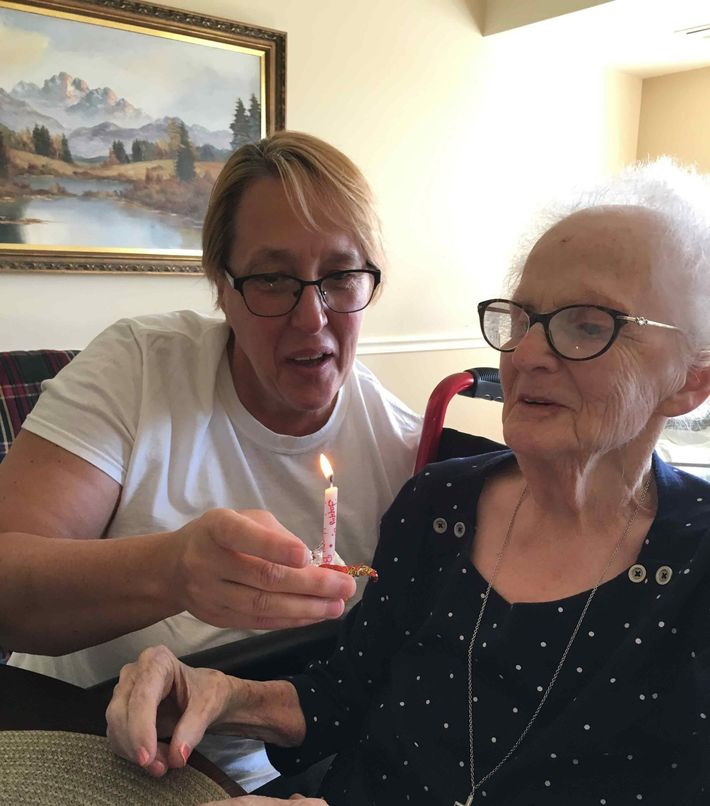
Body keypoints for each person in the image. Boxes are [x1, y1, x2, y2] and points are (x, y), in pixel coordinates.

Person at [106, 158, 710, 806]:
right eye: (524, 318)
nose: (527, 355)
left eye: (588, 324)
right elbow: (343, 695)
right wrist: (218, 692)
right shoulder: (440, 504)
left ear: (690, 380)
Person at [0, 131, 421, 789]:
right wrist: (173, 570)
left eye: (340, 276)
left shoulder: (405, 452)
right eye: (273, 279)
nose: (312, 318)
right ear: (222, 287)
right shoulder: (139, 367)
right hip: (69, 739)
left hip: (262, 777)